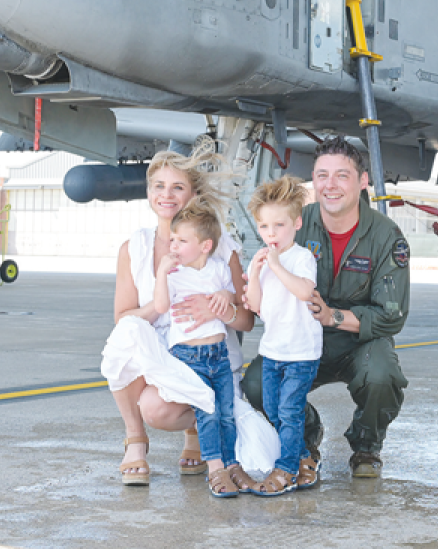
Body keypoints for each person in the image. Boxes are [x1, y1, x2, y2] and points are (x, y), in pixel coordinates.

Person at [242, 137, 411, 482]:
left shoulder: (385, 237)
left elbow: (392, 315)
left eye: (341, 176)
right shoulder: (291, 223)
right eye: (322, 176)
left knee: (382, 375)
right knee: (257, 385)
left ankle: (366, 447)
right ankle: (305, 438)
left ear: (363, 181)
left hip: (356, 342)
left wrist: (333, 315)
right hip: (298, 342)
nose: (329, 186)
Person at [100, 148, 271, 490]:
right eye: (158, 185)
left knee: (170, 405)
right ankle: (135, 440)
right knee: (128, 336)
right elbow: (123, 317)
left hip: (209, 357)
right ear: (148, 192)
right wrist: (158, 306)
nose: (166, 194)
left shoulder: (220, 246)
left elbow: (247, 321)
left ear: (193, 194)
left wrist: (219, 307)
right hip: (162, 357)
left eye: (177, 187)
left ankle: (199, 431)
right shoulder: (133, 247)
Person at [153, 201, 246, 497]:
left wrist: (224, 294)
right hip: (189, 357)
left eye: (182, 240)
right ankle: (216, 468)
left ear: (205, 245)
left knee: (227, 413)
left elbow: (236, 297)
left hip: (218, 355)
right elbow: (161, 307)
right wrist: (161, 274)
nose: (174, 245)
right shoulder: (175, 275)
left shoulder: (218, 269)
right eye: (173, 239)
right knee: (208, 413)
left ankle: (233, 465)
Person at [243, 177, 320, 496]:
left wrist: (276, 266)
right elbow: (258, 307)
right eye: (264, 227)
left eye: (279, 225)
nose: (271, 233)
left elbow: (305, 291)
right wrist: (255, 273)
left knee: (289, 411)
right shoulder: (265, 261)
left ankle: (286, 469)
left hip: (301, 353)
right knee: (274, 410)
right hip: (273, 351)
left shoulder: (301, 257)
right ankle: (304, 458)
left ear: (297, 223)